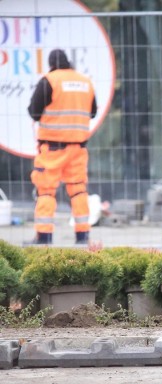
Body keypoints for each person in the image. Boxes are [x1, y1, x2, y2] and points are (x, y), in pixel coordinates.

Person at [27, 49, 97, 245]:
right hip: (78, 149)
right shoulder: (85, 82)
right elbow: (92, 112)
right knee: (78, 190)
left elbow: (34, 112)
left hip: (52, 148)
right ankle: (83, 236)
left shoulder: (49, 80)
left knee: (46, 191)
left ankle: (44, 237)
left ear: (51, 64)